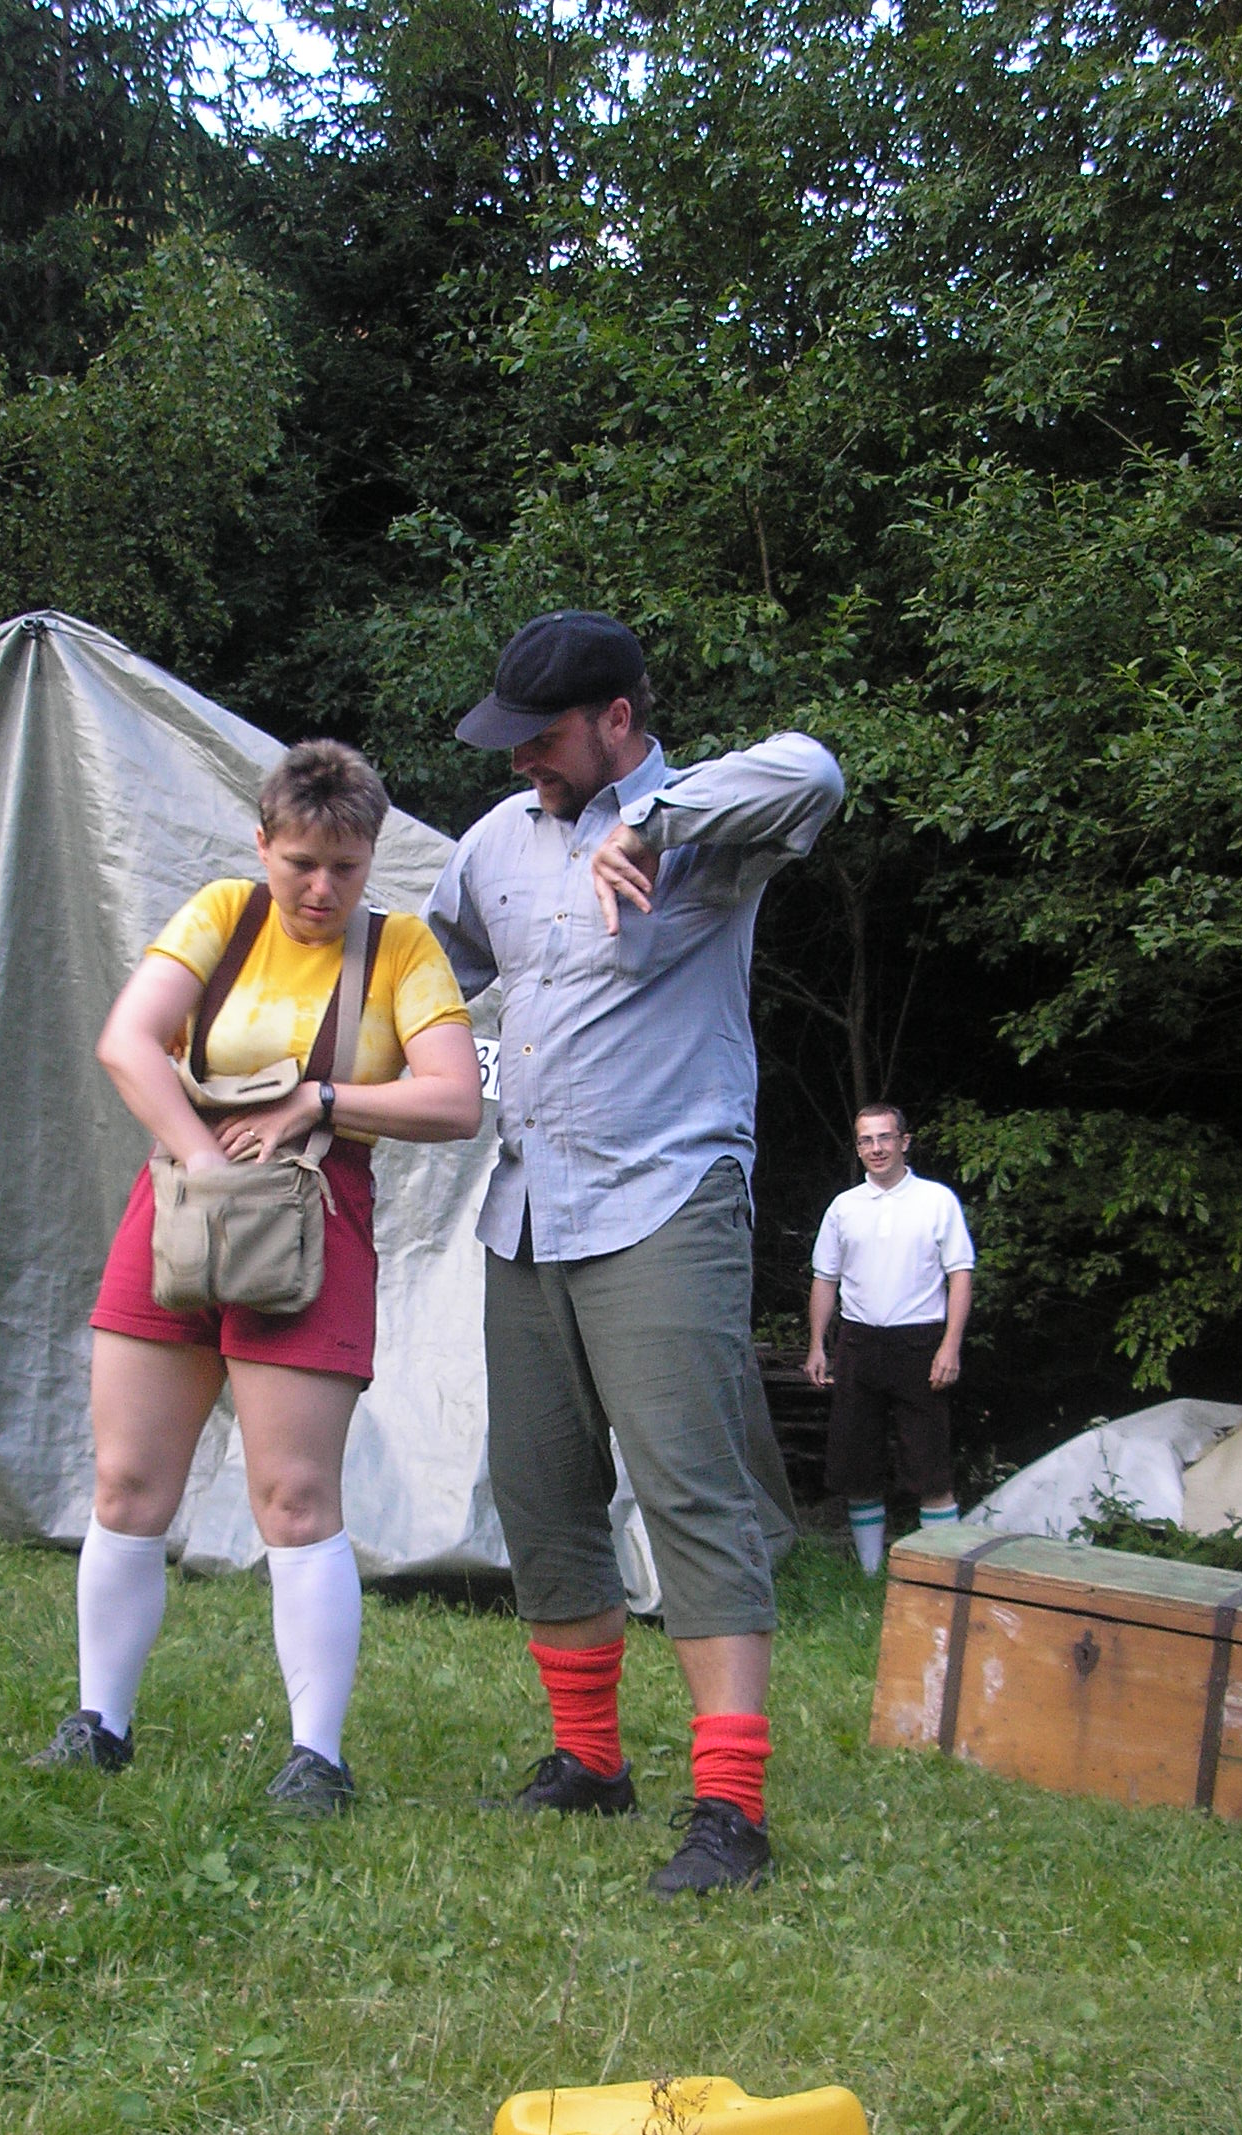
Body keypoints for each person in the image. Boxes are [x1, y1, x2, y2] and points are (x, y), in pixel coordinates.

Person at [427, 610, 845, 1896]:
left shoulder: (707, 825)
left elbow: (816, 769)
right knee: (542, 1494)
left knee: (691, 1494)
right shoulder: (495, 844)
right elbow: (426, 972)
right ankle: (590, 1762)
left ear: (618, 719)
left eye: (541, 737)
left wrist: (651, 825)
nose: (519, 761)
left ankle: (731, 1810)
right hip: (526, 1212)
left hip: (665, 1202)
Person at [31, 740, 482, 1807]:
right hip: (180, 1212)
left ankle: (316, 1757)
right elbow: (128, 1042)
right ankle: (100, 1722)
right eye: (301, 864)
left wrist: (318, 1102)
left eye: (346, 867)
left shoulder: (401, 948)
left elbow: (455, 1099)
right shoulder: (223, 914)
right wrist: (201, 1159)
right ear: (263, 845)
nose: (321, 889)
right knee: (126, 1481)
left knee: (295, 1494)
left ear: (371, 859)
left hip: (316, 1218)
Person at [804, 1102, 975, 1576]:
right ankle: (869, 1574)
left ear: (904, 1141)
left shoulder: (936, 1200)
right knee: (858, 1468)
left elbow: (960, 1274)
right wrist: (817, 1344)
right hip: (858, 1346)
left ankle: (942, 1577)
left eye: (884, 1137)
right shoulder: (844, 1208)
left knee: (930, 1467)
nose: (876, 1148)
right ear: (858, 1148)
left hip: (921, 1345)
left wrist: (950, 1345)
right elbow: (825, 1279)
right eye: (866, 1140)